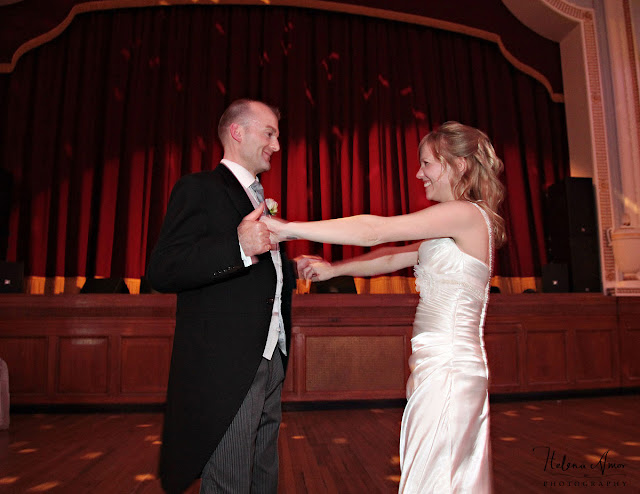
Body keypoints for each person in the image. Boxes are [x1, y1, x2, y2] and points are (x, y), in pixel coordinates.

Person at [263, 121, 506, 493]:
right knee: (443, 473)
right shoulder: (456, 221)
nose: (418, 173)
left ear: (458, 165)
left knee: (436, 475)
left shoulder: (465, 214)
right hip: (438, 364)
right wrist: (333, 270)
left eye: (427, 163)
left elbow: (375, 231)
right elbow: (392, 256)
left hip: (450, 367)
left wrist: (288, 228)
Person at [147, 98, 297, 494]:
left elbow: (259, 278)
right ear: (237, 131)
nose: (277, 145)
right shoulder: (198, 188)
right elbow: (163, 270)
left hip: (270, 353)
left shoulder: (259, 197)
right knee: (229, 473)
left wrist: (295, 269)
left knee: (263, 464)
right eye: (270, 133)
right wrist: (239, 246)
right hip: (227, 361)